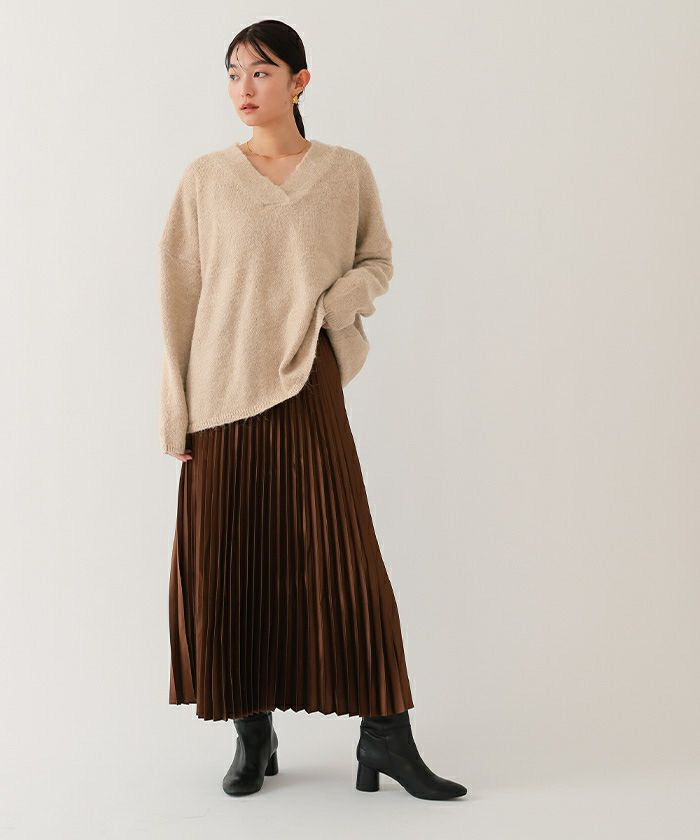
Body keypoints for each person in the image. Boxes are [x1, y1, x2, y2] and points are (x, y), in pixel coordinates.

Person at [159, 18, 468, 801]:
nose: (244, 88)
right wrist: (176, 409)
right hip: (221, 395)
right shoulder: (205, 179)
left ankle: (386, 735)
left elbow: (377, 260)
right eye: (234, 73)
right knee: (234, 562)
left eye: (261, 72)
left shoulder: (344, 172)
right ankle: (252, 733)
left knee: (346, 558)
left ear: (300, 81)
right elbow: (178, 296)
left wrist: (337, 302)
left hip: (307, 381)